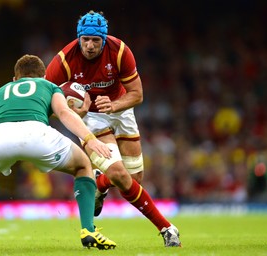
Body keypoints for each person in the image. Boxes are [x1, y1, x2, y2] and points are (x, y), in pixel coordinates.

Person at [45, 10, 181, 247]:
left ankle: (100, 183)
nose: (89, 45)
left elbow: (137, 94)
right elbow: (45, 98)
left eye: (95, 40)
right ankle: (167, 228)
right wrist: (74, 112)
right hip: (91, 118)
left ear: (104, 39)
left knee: (133, 179)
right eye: (85, 39)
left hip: (121, 110)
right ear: (79, 38)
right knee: (120, 175)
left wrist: (114, 104)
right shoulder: (64, 60)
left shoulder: (119, 52)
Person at [0, 54, 116, 251]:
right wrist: (89, 139)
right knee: (83, 166)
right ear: (43, 76)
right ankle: (88, 230)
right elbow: (63, 113)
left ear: (14, 79)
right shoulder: (49, 86)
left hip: (0, 136)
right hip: (38, 134)